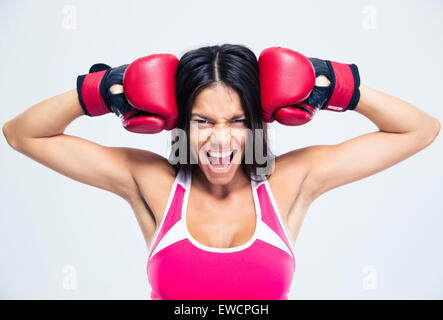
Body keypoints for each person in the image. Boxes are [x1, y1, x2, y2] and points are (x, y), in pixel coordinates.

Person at [2, 44, 440, 300]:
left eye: (236, 121)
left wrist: (331, 83)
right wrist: (100, 91)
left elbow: (420, 130)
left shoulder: (288, 183)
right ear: (179, 123)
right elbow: (23, 135)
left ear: (256, 123)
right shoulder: (154, 184)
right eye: (203, 122)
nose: (220, 141)